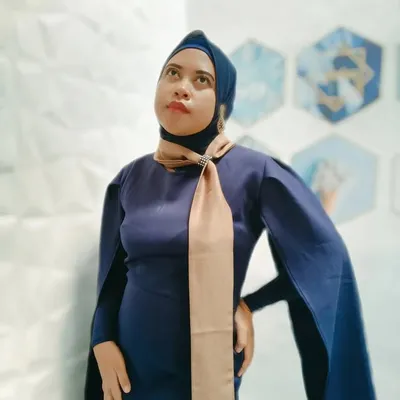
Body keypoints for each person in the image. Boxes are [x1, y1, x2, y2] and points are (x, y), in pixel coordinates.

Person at [84, 30, 375, 400]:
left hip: (208, 374)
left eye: (201, 80)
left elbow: (323, 258)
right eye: (172, 73)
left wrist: (251, 304)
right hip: (127, 372)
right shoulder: (130, 178)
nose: (182, 87)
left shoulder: (253, 173)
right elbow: (111, 279)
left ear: (222, 104)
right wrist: (102, 339)